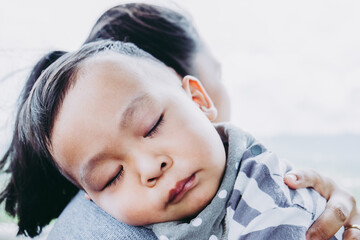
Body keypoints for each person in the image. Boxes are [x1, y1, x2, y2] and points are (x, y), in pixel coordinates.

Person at [0, 3, 358, 240]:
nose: (149, 167)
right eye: (111, 177)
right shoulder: (105, 227)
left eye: (153, 125)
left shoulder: (275, 198)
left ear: (198, 98)